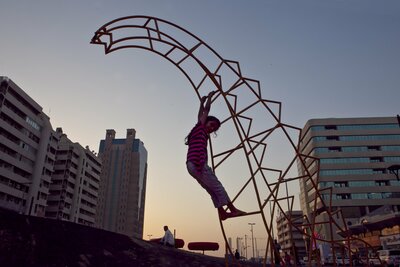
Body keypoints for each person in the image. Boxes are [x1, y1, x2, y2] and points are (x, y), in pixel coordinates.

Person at [185, 91, 246, 221]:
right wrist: (209, 99)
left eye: (215, 128)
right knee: (217, 186)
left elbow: (200, 114)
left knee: (211, 189)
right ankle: (233, 209)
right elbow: (204, 112)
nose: (212, 128)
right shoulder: (200, 128)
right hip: (198, 164)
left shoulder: (200, 131)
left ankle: (222, 213)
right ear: (205, 122)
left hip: (191, 165)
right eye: (211, 124)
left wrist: (201, 103)